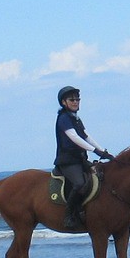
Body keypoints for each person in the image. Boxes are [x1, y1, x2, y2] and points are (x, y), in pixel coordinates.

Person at [53, 86, 111, 230]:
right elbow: (74, 138)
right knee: (79, 183)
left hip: (80, 160)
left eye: (77, 99)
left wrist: (103, 151)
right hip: (67, 161)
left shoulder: (76, 119)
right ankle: (69, 215)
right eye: (72, 99)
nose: (75, 102)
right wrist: (95, 151)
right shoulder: (64, 118)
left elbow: (86, 136)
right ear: (63, 102)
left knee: (101, 177)